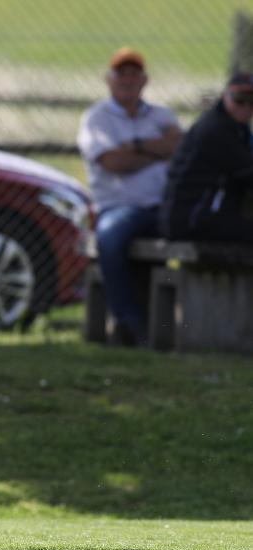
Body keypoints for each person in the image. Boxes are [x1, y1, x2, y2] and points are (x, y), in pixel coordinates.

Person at [77, 47, 182, 345]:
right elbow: (113, 163)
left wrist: (133, 147)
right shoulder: (97, 118)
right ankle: (127, 322)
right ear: (108, 79)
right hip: (118, 208)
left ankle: (182, 327)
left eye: (134, 74)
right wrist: (156, 149)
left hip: (163, 207)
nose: (128, 80)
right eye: (121, 74)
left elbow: (181, 148)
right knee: (110, 237)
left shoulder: (161, 114)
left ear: (144, 80)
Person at [160, 72, 253, 242]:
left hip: (204, 215)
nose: (246, 106)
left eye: (252, 101)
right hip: (191, 218)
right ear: (225, 95)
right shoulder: (216, 130)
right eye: (240, 98)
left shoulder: (236, 128)